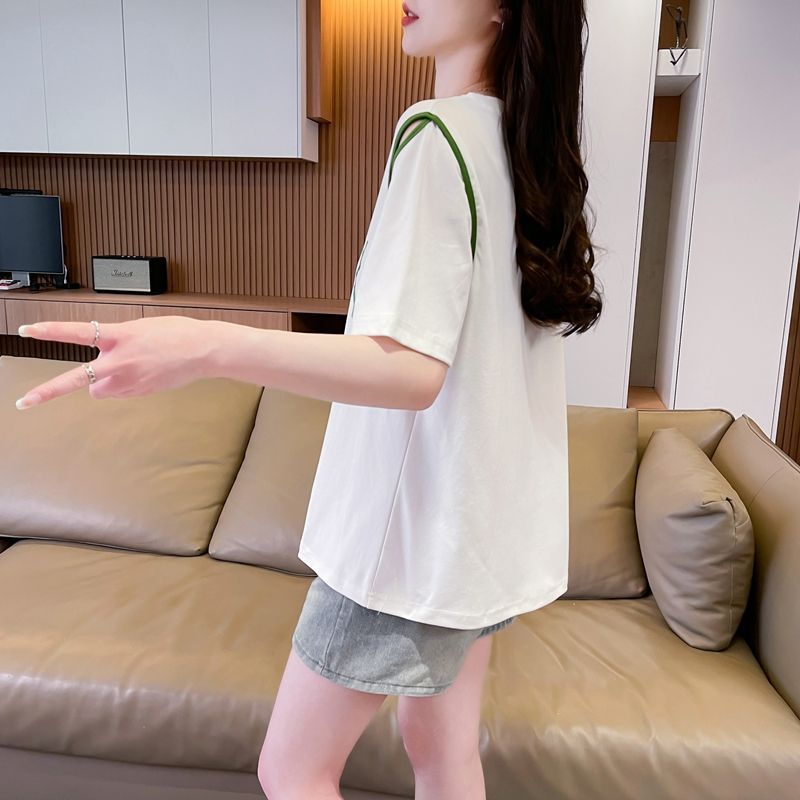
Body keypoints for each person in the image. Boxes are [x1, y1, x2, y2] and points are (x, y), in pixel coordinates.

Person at [13, 1, 603, 798]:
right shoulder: (519, 150)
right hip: (480, 535)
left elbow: (410, 370)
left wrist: (207, 345)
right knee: (441, 747)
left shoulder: (438, 136)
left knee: (292, 769)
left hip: (409, 542)